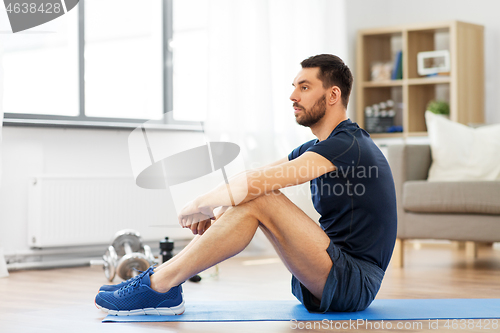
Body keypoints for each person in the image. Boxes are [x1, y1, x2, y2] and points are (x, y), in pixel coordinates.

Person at [95, 54, 397, 315]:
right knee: (255, 194)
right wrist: (221, 207)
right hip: (330, 272)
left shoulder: (348, 145)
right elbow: (253, 174)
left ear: (333, 95)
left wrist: (201, 203)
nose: (293, 96)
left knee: (261, 196)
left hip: (353, 282)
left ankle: (159, 285)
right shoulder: (320, 146)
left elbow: (256, 184)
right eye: (294, 87)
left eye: (304, 87)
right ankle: (160, 280)